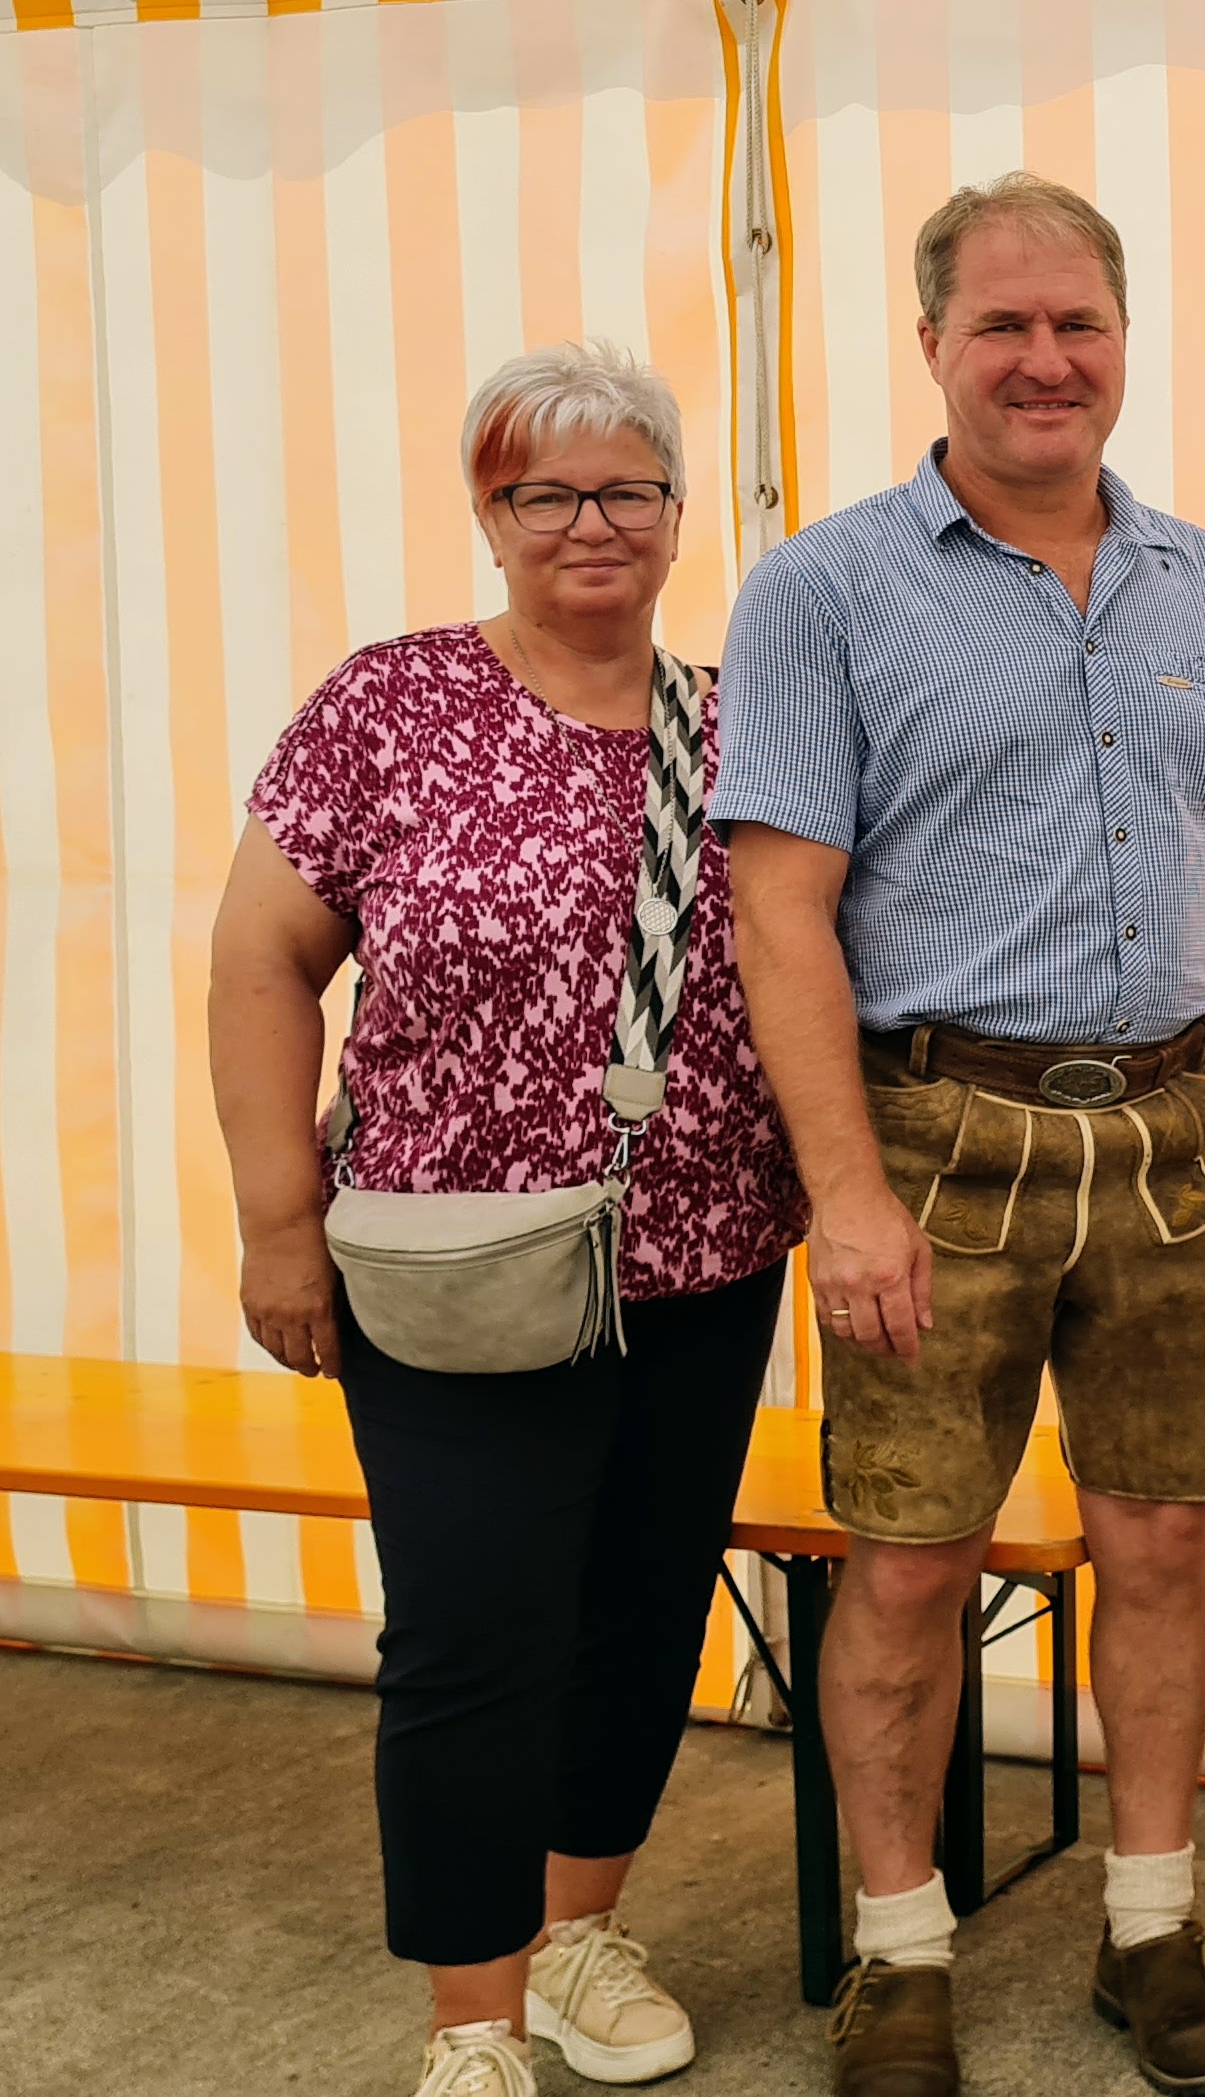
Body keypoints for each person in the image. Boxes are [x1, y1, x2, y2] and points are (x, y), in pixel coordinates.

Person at [713, 172, 1205, 2097]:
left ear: (1123, 340)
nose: (1044, 360)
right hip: (932, 1142)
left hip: (1177, 1131)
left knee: (1159, 1538)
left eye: (1077, 323)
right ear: (931, 345)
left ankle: (1153, 1926)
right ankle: (899, 1954)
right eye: (1003, 325)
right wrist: (843, 1191)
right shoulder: (821, 591)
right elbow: (779, 909)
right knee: (910, 1559)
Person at [211, 339, 802, 2097]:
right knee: (471, 1635)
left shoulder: (739, 720)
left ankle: (582, 1933)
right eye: (546, 491)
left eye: (630, 487)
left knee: (641, 1611)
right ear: (491, 515)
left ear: (683, 513)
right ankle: (471, 2020)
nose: (592, 523)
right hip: (448, 1265)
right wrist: (274, 1220)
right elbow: (260, 962)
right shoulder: (385, 707)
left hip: (700, 1261)